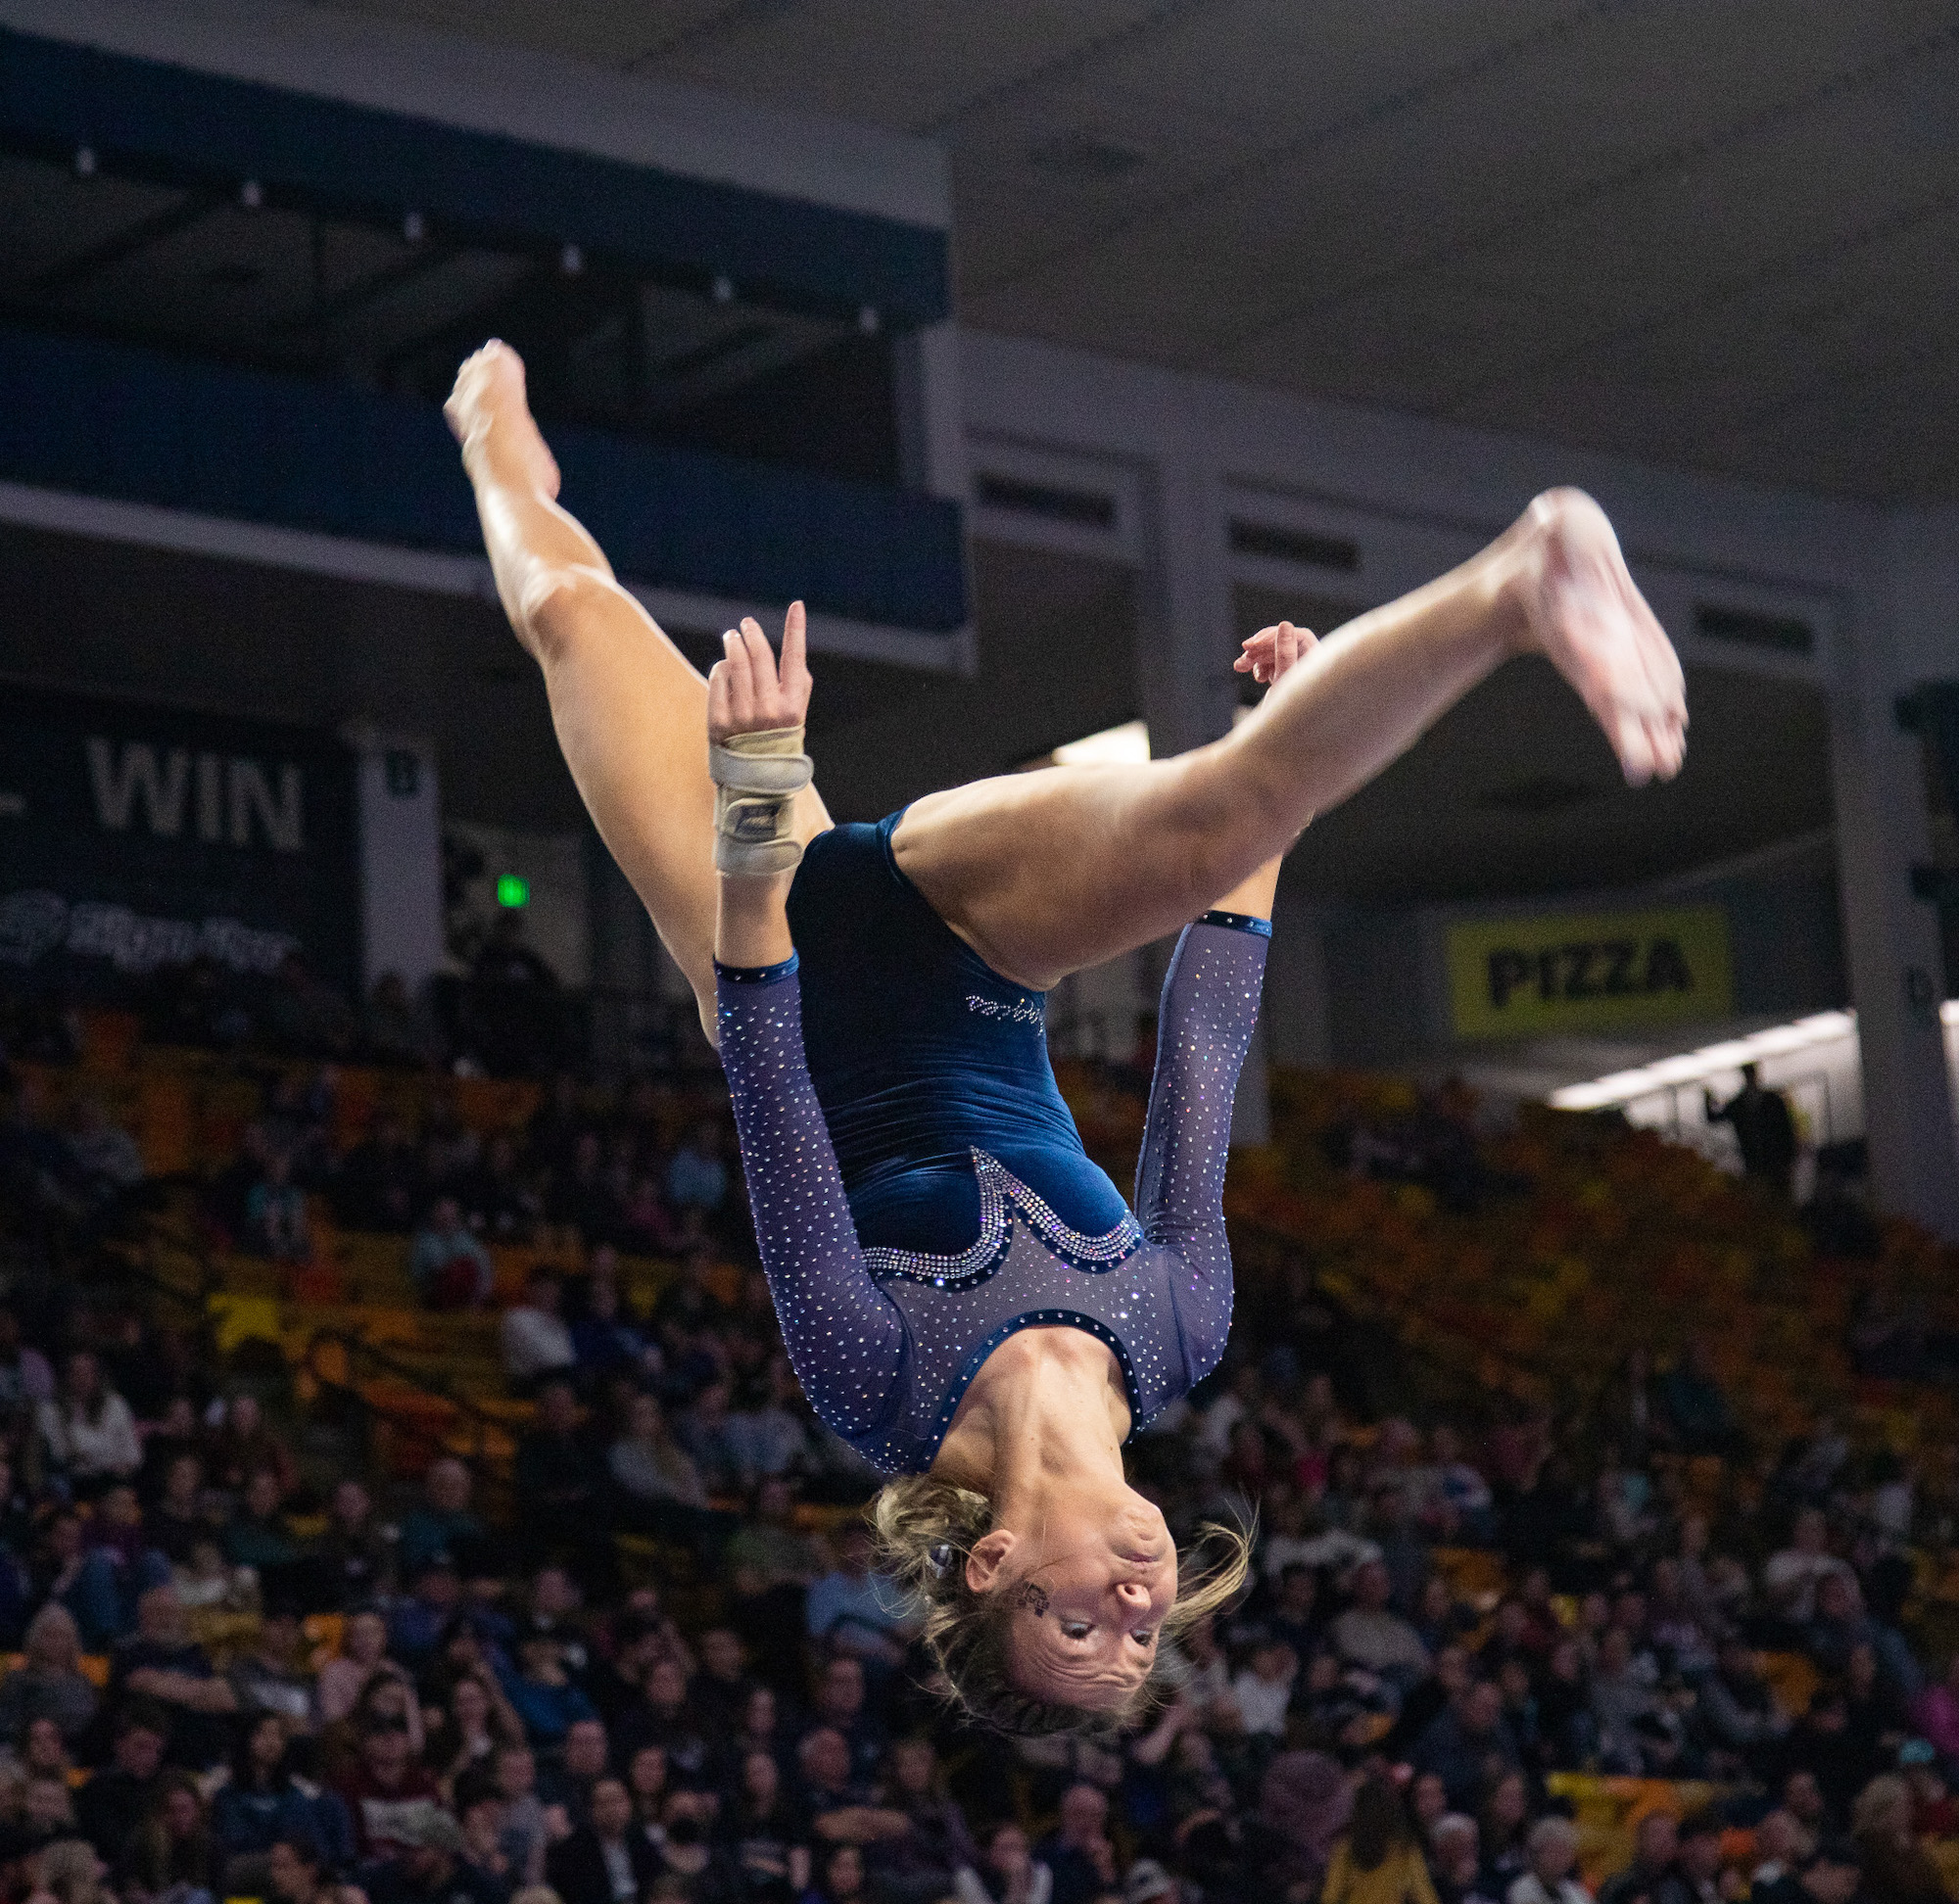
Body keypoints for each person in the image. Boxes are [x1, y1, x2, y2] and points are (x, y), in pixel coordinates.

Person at [448, 340, 1686, 1732]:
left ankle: (493, 438)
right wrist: (1271, 788)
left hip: (773, 929)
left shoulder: (880, 1384)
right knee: (1223, 803)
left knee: (563, 606)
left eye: (1084, 1622)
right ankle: (1526, 575)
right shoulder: (1174, 1337)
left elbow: (768, 1073)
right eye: (1144, 1643)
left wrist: (753, 801)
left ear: (991, 1565)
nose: (1143, 1607)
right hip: (972, 936)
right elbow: (1208, 1041)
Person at [544, 1776, 661, 1904]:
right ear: (592, 1809)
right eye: (605, 1803)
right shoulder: (572, 1850)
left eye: (618, 1801)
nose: (613, 1810)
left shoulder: (641, 1841)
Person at [1705, 1065, 1798, 1198]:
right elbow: (1787, 1130)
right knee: (1770, 1201)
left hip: (1771, 1164)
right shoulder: (1766, 1100)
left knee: (1773, 1200)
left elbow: (1787, 1130)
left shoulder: (1743, 1103)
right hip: (1761, 1164)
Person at [1507, 1819, 1591, 1904]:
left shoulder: (1576, 1893)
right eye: (1551, 1851)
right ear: (1537, 1853)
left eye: (1564, 1852)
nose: (1557, 1858)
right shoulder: (1522, 1889)